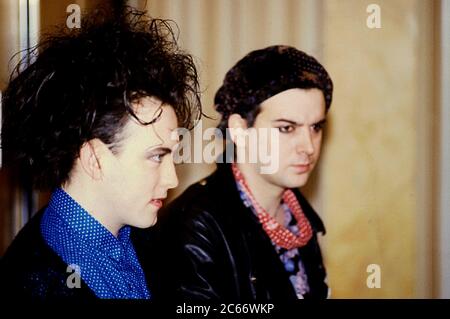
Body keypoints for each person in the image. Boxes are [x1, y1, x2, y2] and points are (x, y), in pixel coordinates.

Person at [0, 8, 201, 299]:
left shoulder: (144, 238)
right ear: (94, 158)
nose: (171, 179)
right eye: (157, 156)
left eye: (172, 155)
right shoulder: (34, 281)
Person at [144, 45, 333, 301]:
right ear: (239, 130)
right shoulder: (197, 226)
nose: (308, 147)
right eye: (287, 128)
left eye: (316, 127)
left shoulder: (297, 213)